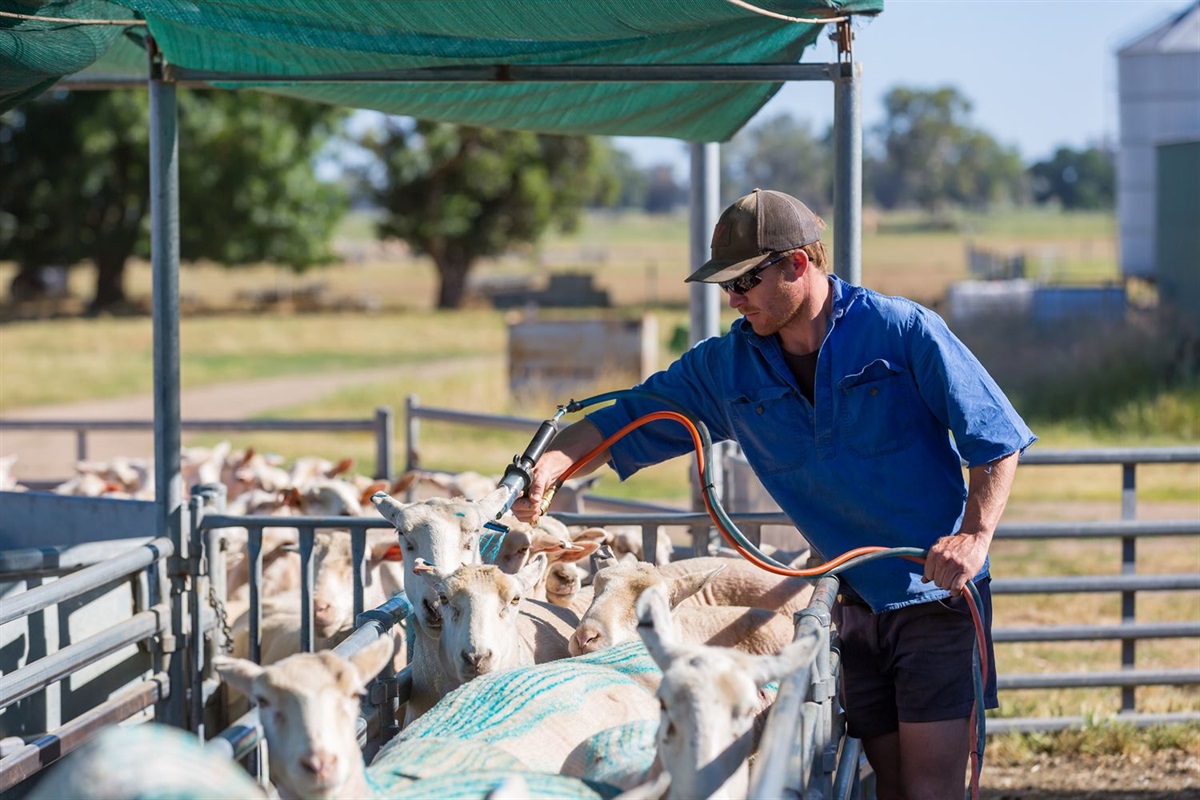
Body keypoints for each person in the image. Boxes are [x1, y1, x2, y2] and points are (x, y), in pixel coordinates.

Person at [512, 188, 1036, 799]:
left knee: (929, 787)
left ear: (797, 264)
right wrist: (548, 467)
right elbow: (626, 417)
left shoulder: (901, 331)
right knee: (888, 780)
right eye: (726, 287)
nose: (734, 300)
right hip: (848, 598)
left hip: (934, 594)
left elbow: (994, 437)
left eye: (744, 281)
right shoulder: (728, 367)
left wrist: (974, 537)